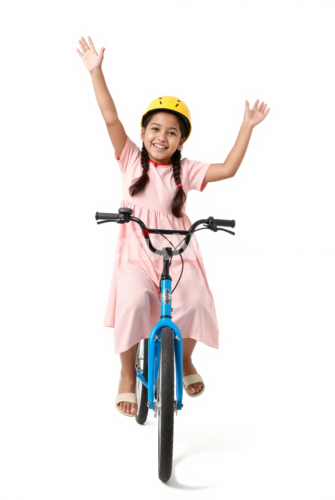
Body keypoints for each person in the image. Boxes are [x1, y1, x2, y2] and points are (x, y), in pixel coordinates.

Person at [76, 35, 270, 417]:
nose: (161, 137)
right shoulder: (131, 159)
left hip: (178, 252)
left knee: (196, 300)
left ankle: (183, 360)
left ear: (181, 140)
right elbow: (111, 117)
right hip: (136, 252)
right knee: (132, 303)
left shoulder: (187, 171)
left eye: (171, 132)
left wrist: (247, 126)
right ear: (144, 132)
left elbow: (228, 169)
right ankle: (126, 376)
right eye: (155, 128)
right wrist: (96, 72)